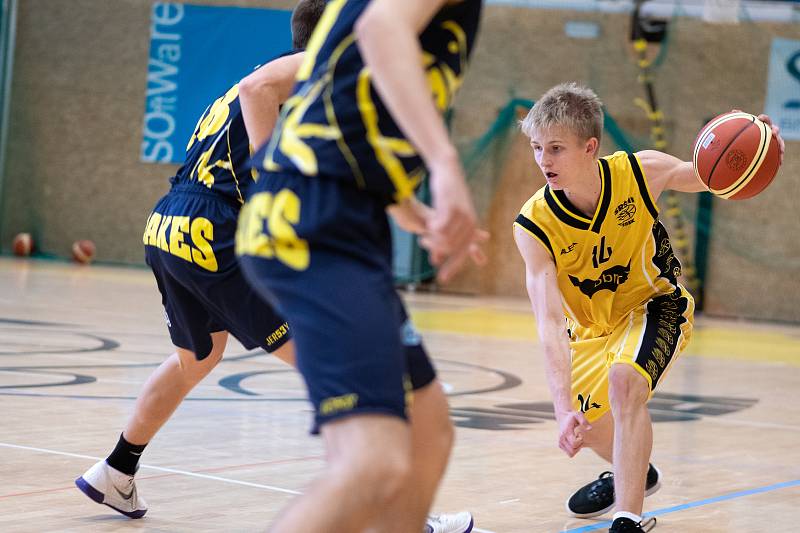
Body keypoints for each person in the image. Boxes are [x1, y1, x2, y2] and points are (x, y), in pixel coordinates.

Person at [75, 2, 473, 531]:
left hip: (173, 223)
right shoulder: (308, 72)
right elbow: (257, 91)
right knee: (343, 372)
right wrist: (273, 181)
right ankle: (393, 507)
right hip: (219, 228)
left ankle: (116, 468)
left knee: (196, 359)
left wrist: (412, 210)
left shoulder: (284, 80)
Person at [235, 0, 487, 532]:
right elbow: (381, 29)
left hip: (343, 220)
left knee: (428, 432)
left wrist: (415, 213)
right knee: (372, 463)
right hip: (316, 219)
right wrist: (444, 163)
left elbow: (350, 110)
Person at [514, 82, 785, 533]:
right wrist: (562, 406)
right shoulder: (533, 225)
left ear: (590, 147)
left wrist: (753, 146)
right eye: (538, 148)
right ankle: (638, 471)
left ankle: (627, 519)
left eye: (556, 148)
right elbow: (548, 322)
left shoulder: (641, 172)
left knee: (624, 384)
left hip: (655, 305)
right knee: (586, 428)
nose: (544, 160)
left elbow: (705, 176)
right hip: (591, 331)